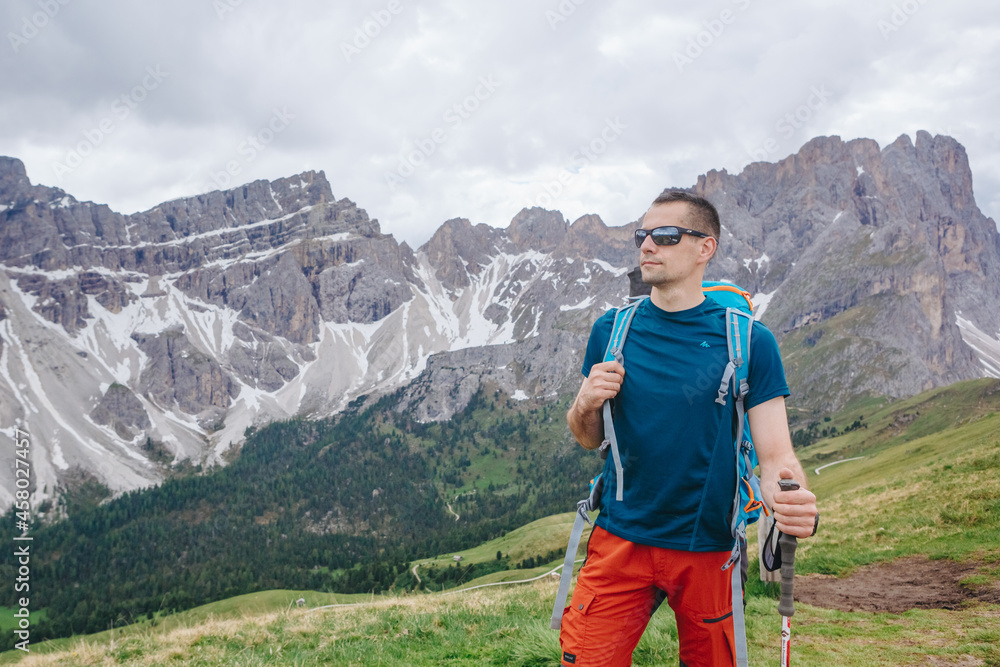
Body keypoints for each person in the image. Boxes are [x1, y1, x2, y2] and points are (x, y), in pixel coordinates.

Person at [560, 191, 818, 667]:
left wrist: (793, 501)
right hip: (621, 539)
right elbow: (587, 437)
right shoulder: (610, 331)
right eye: (643, 235)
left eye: (665, 235)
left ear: (705, 248)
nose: (647, 247)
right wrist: (584, 403)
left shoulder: (749, 342)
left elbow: (777, 456)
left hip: (708, 549)